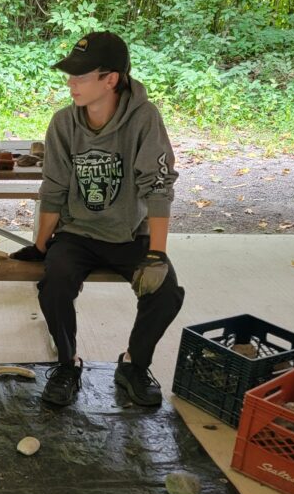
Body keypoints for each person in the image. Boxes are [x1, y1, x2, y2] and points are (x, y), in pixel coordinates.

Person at [12, 31, 185, 408]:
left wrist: (157, 254)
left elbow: (158, 186)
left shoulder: (144, 118)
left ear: (111, 79)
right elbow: (54, 188)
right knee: (53, 284)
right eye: (70, 75)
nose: (71, 83)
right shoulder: (63, 124)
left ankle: (134, 366)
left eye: (81, 75)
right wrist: (41, 245)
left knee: (166, 292)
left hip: (131, 234)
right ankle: (67, 364)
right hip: (78, 233)